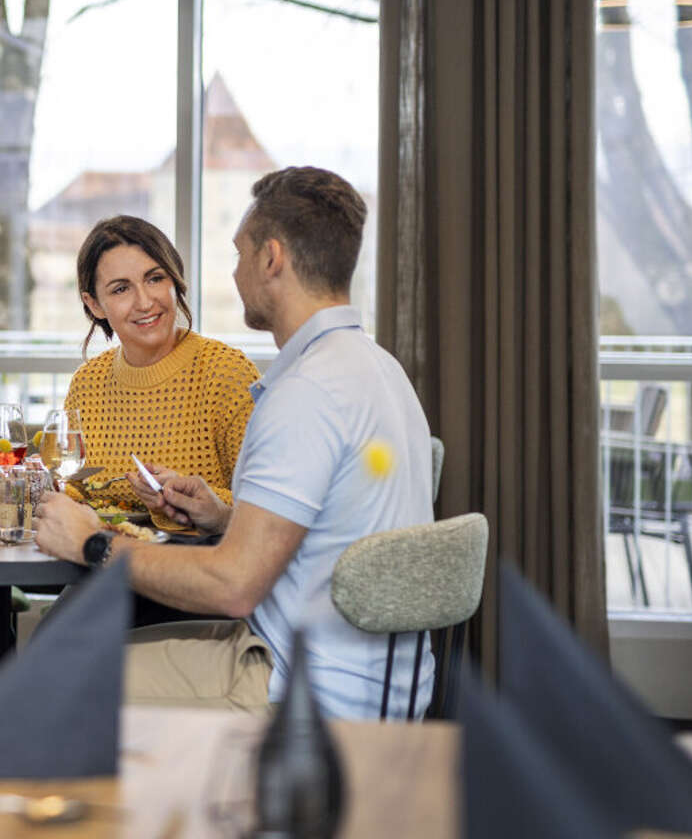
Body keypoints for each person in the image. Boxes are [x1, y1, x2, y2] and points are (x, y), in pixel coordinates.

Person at [35, 167, 435, 720]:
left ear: (271, 258)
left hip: (303, 682)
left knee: (53, 671)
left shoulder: (304, 394)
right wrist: (223, 518)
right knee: (68, 642)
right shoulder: (376, 368)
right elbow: (313, 529)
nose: (234, 272)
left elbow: (233, 587)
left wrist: (92, 545)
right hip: (378, 674)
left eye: (239, 254)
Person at [63, 215, 261, 523]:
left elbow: (266, 509)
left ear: (175, 280)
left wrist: (203, 501)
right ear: (94, 305)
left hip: (200, 561)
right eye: (120, 289)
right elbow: (75, 490)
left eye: (155, 279)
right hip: (97, 559)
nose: (145, 302)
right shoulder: (86, 384)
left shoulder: (227, 374)